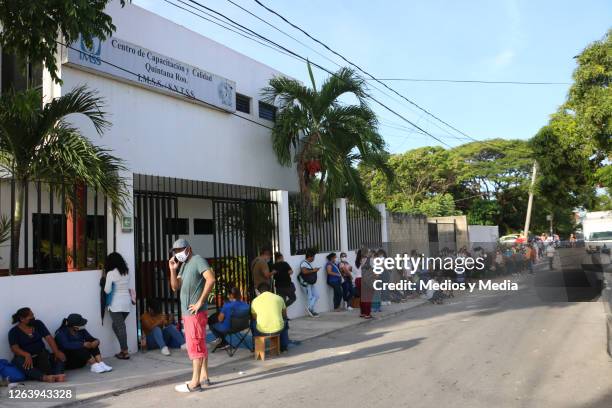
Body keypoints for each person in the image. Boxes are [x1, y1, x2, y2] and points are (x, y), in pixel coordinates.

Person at [169, 238, 216, 393]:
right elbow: (175, 287)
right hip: (190, 313)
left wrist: (199, 302)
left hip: (194, 313)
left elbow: (211, 279)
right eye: (175, 252)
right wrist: (173, 269)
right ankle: (204, 377)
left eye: (179, 250)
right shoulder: (184, 265)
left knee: (195, 345)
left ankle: (195, 382)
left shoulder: (197, 260)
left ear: (188, 249)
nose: (177, 254)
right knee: (199, 343)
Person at [9, 307, 66, 382]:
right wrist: (26, 354)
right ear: (22, 319)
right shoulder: (13, 332)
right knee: (18, 361)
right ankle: (44, 377)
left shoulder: (38, 324)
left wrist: (56, 352)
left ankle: (57, 374)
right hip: (26, 360)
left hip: (41, 355)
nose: (33, 317)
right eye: (30, 316)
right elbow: (14, 348)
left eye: (33, 315)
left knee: (60, 356)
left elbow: (49, 338)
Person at [103, 252, 132, 360]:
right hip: (126, 304)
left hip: (115, 305)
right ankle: (123, 350)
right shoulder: (127, 272)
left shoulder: (111, 273)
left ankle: (125, 351)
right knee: (116, 326)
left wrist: (105, 278)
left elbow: (107, 290)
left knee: (120, 327)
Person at [250, 282, 290, 352]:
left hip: (261, 330)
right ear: (270, 290)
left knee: (253, 323)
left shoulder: (255, 301)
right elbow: (284, 315)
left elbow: (254, 317)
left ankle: (256, 348)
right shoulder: (279, 298)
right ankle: (284, 346)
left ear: (259, 292)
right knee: (285, 321)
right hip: (278, 329)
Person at [298, 249, 320, 317]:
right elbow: (304, 272)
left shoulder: (307, 263)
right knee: (310, 297)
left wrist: (314, 270)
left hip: (310, 283)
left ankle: (310, 308)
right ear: (310, 257)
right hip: (306, 283)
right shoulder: (304, 263)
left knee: (316, 295)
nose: (314, 258)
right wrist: (314, 270)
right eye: (313, 257)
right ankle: (310, 309)